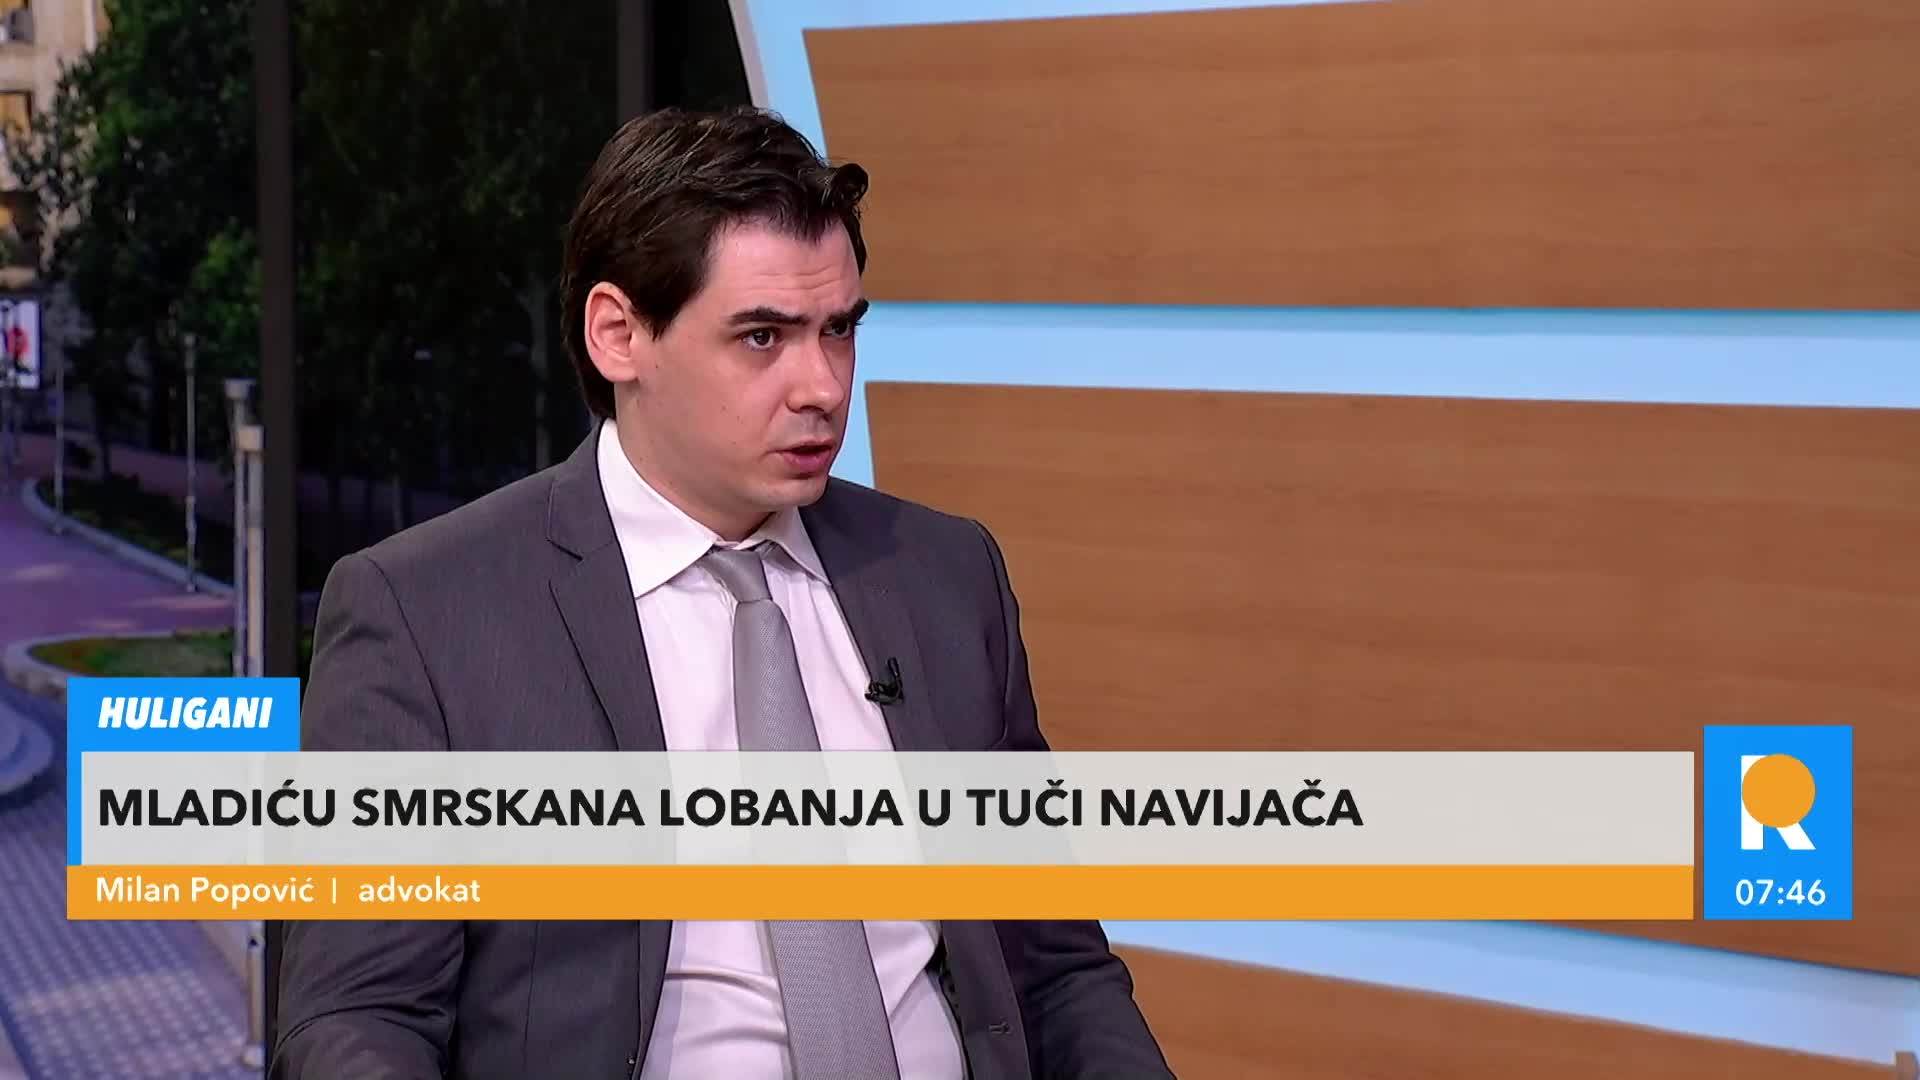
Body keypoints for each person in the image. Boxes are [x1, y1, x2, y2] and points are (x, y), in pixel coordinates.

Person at [269, 106, 1172, 1080]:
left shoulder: (946, 575)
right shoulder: (425, 617)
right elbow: (354, 1020)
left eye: (838, 331)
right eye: (762, 337)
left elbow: (1056, 966)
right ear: (619, 334)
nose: (822, 386)